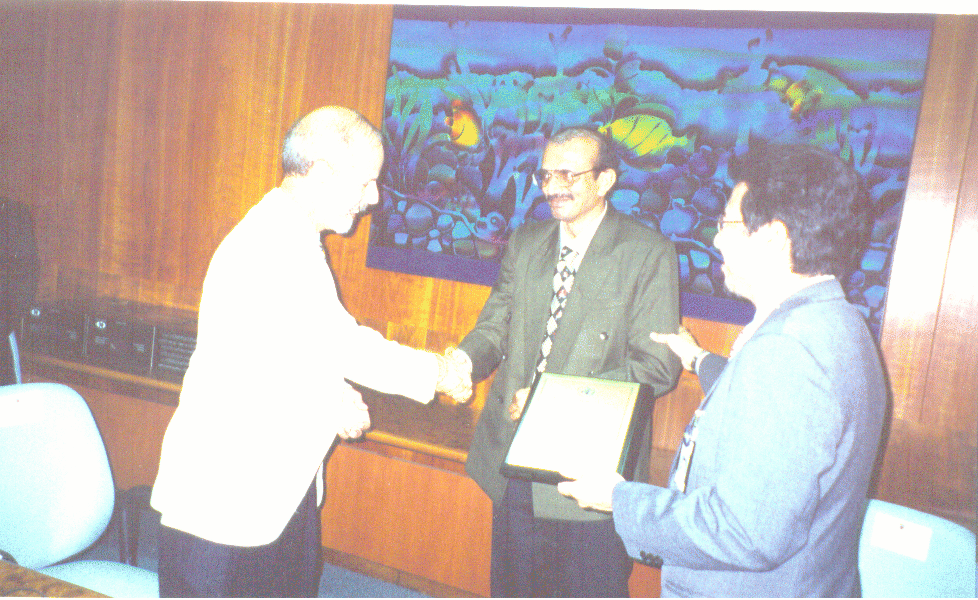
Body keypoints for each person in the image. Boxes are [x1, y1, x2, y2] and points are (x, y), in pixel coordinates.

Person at [150, 106, 472, 597]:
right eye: (366, 182)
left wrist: (332, 396)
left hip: (275, 491)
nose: (376, 197)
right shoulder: (271, 244)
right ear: (322, 173)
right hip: (225, 503)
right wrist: (440, 372)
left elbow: (281, 347)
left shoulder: (292, 235)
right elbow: (342, 343)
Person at [558, 143, 887, 597]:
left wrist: (619, 500)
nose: (715, 240)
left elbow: (745, 532)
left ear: (773, 237)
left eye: (726, 224)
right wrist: (699, 360)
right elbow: (778, 416)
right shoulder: (836, 321)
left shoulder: (789, 353)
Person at [454, 125, 682, 597]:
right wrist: (461, 363)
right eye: (544, 175)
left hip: (590, 473)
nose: (552, 187)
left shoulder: (647, 254)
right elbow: (495, 326)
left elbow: (657, 366)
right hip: (515, 460)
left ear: (605, 181)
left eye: (568, 175)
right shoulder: (526, 242)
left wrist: (548, 401)